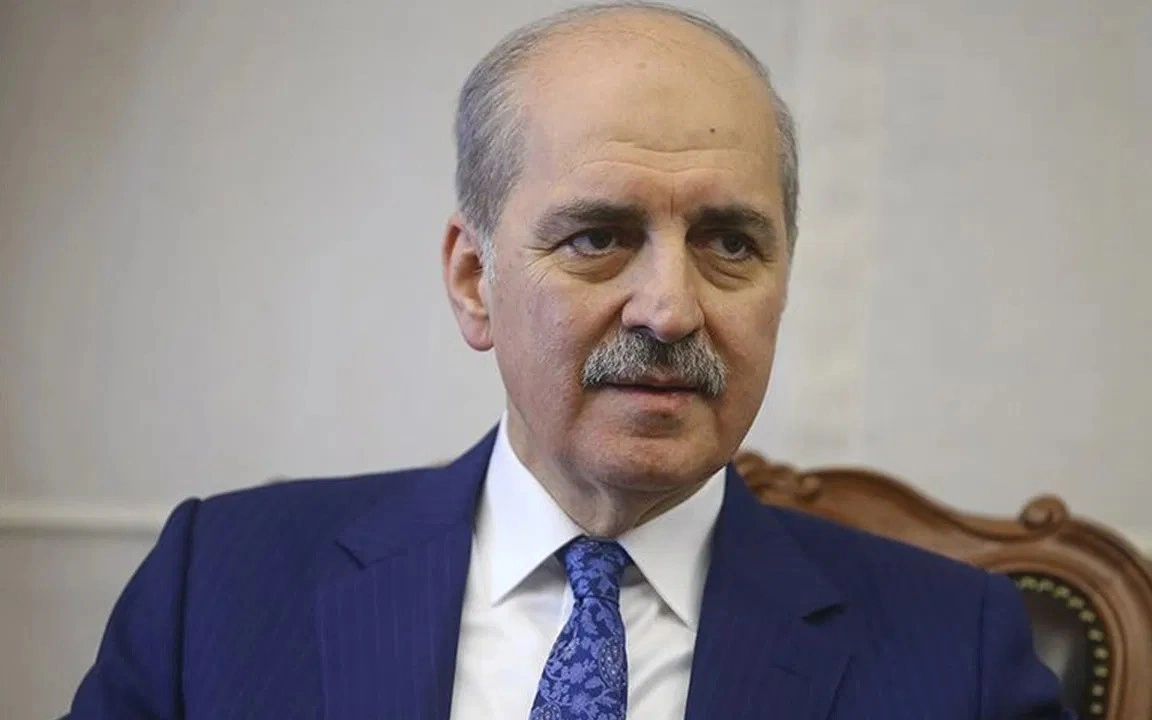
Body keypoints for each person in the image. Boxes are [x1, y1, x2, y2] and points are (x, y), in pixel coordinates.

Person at [66, 3, 1070, 718]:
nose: (670, 310)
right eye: (597, 237)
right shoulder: (221, 587)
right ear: (474, 280)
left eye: (729, 243)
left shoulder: (958, 652)